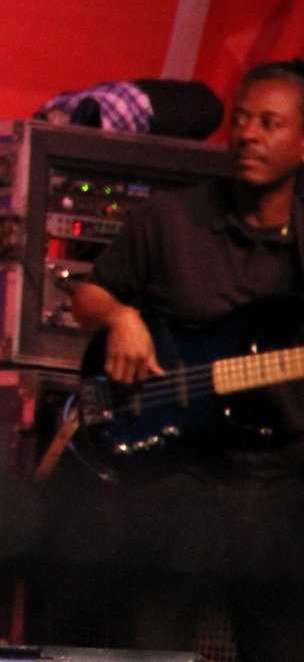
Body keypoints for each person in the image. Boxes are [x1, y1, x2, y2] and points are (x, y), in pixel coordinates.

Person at [68, 59, 304, 661]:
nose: (248, 135)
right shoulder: (172, 217)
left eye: (270, 123)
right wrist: (122, 317)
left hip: (278, 482)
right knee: (151, 647)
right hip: (176, 476)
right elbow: (87, 298)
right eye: (241, 120)